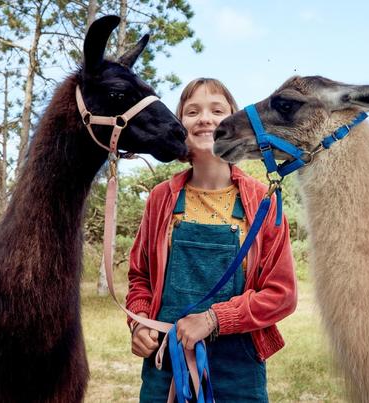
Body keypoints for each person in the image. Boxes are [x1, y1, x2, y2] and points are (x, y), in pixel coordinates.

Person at [126, 78, 297, 402]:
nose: (204, 118)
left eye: (217, 110)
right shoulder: (161, 199)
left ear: (234, 123)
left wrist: (213, 319)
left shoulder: (263, 201)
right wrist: (139, 323)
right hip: (166, 368)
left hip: (239, 372)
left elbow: (282, 294)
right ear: (180, 125)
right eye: (192, 111)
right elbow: (140, 278)